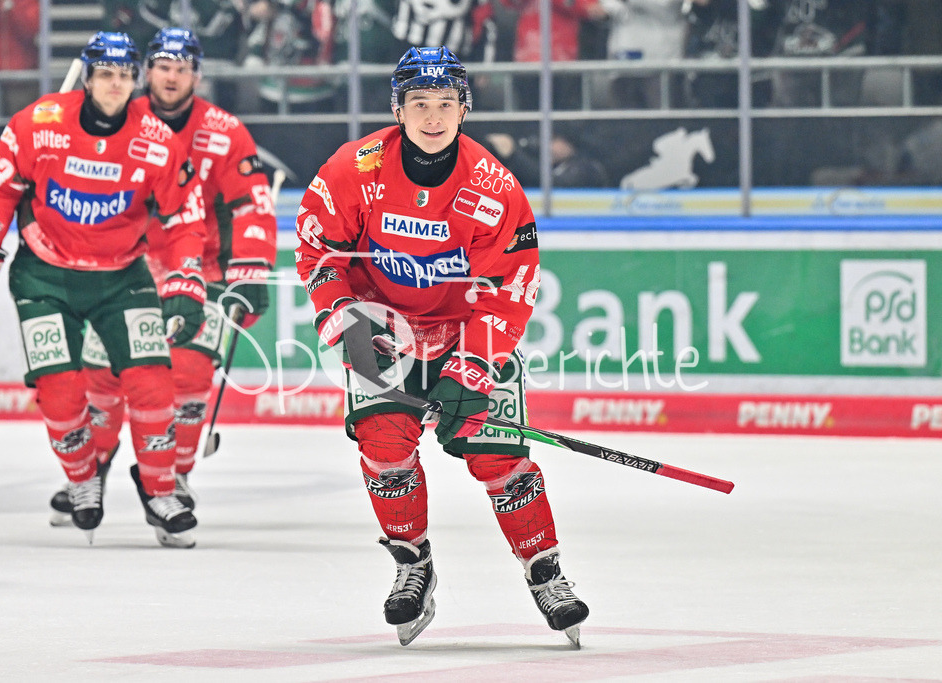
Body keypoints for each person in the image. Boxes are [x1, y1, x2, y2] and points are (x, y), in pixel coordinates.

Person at [295, 46, 589, 646]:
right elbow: (318, 252)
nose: (434, 117)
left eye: (447, 104)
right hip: (382, 327)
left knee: (498, 459)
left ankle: (545, 571)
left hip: (465, 332)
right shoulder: (355, 169)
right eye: (420, 104)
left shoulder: (492, 185)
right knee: (384, 446)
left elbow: (511, 287)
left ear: (465, 109)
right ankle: (412, 565)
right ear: (398, 108)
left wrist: (472, 369)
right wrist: (351, 327)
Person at [0, 31, 207, 548]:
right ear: (88, 77)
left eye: (124, 76)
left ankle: (161, 493)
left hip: (122, 276)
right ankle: (82, 479)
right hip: (45, 275)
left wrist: (186, 278)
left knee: (154, 382)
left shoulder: (157, 138)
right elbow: (3, 185)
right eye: (105, 74)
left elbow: (185, 215)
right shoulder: (39, 123)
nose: (116, 85)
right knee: (61, 390)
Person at [47, 27, 278, 527]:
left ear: (197, 74)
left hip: (205, 269)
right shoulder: (117, 116)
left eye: (183, 68)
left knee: (191, 374)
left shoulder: (225, 129)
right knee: (104, 375)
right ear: (146, 70)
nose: (172, 77)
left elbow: (252, 204)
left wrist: (252, 267)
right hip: (125, 266)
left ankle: (172, 476)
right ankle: (92, 468)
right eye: (163, 66)